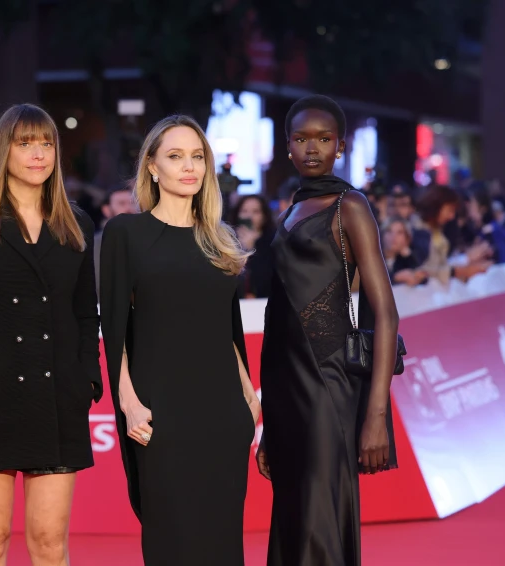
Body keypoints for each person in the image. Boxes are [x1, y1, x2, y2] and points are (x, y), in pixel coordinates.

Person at [0, 104, 102, 566]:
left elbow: (84, 311)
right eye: (25, 143)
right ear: (4, 149)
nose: (39, 154)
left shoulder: (75, 222)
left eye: (47, 143)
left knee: (50, 542)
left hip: (57, 398)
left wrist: (86, 377)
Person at [100, 115, 259, 565]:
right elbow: (114, 328)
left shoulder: (221, 238)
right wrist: (129, 403)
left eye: (197, 157)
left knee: (222, 546)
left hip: (224, 414)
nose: (189, 167)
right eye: (175, 156)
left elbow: (226, 328)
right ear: (152, 166)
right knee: (170, 543)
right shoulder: (126, 233)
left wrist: (249, 397)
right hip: (161, 414)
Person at [257, 95, 400, 566]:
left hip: (327, 385)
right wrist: (270, 425)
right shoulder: (291, 209)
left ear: (340, 146)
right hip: (286, 391)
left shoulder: (350, 205)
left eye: (323, 138)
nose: (312, 148)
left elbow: (386, 313)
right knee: (293, 520)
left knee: (319, 522)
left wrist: (375, 416)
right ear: (287, 145)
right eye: (301, 138)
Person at [230, 194, 277, 298]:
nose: (249, 216)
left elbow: (267, 278)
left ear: (264, 216)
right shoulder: (228, 242)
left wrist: (252, 249)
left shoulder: (273, 242)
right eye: (244, 211)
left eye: (256, 211)